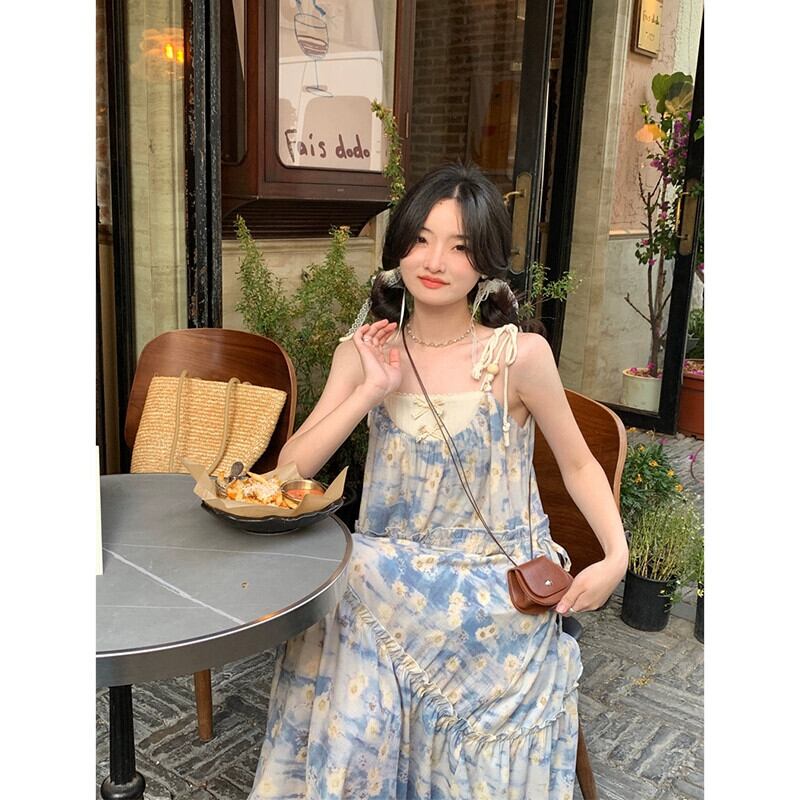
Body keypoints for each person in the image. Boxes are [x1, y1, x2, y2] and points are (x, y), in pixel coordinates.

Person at [248, 163, 628, 799]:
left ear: (486, 264)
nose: (434, 261)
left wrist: (616, 556)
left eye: (459, 246)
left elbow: (580, 464)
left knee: (346, 579)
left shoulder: (517, 356)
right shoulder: (365, 352)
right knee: (345, 582)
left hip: (493, 588)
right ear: (398, 246)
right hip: (389, 581)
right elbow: (290, 472)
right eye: (421, 239)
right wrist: (370, 388)